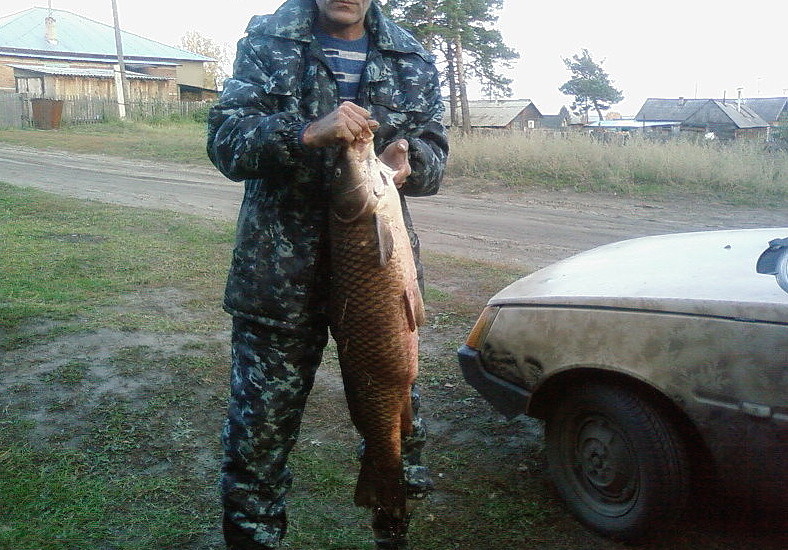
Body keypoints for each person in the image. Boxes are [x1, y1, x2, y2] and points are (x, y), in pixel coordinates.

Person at [206, 1, 448, 548]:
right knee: (259, 434)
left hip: (378, 277)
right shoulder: (269, 41)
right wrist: (304, 133)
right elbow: (225, 141)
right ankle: (253, 539)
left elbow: (435, 152)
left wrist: (410, 160)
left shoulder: (410, 56)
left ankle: (393, 527)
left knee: (394, 411)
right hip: (279, 279)